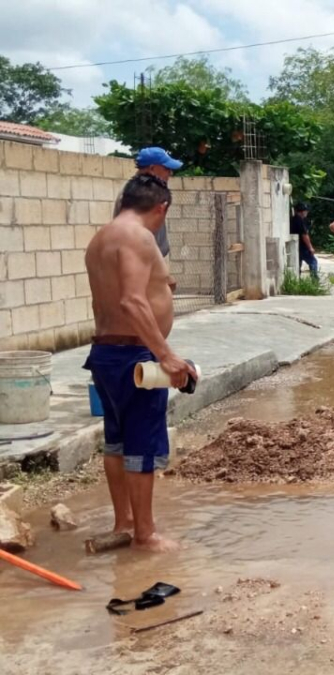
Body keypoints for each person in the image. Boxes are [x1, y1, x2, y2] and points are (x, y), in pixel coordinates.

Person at [85, 174, 199, 553]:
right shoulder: (137, 236)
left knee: (116, 441)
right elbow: (132, 302)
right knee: (142, 444)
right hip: (135, 355)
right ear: (161, 208)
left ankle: (125, 522)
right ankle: (146, 536)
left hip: (106, 352)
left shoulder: (102, 237)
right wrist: (165, 355)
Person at [115, 147, 183, 289]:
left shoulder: (151, 192)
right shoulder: (134, 196)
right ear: (152, 168)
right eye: (166, 168)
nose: (170, 173)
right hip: (144, 269)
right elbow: (137, 240)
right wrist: (162, 273)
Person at [291, 202, 318, 279]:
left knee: (297, 264)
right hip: (303, 247)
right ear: (303, 211)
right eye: (306, 211)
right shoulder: (300, 221)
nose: (307, 213)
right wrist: (310, 247)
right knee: (313, 262)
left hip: (296, 247)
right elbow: (304, 235)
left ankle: (296, 280)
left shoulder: (293, 220)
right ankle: (314, 281)